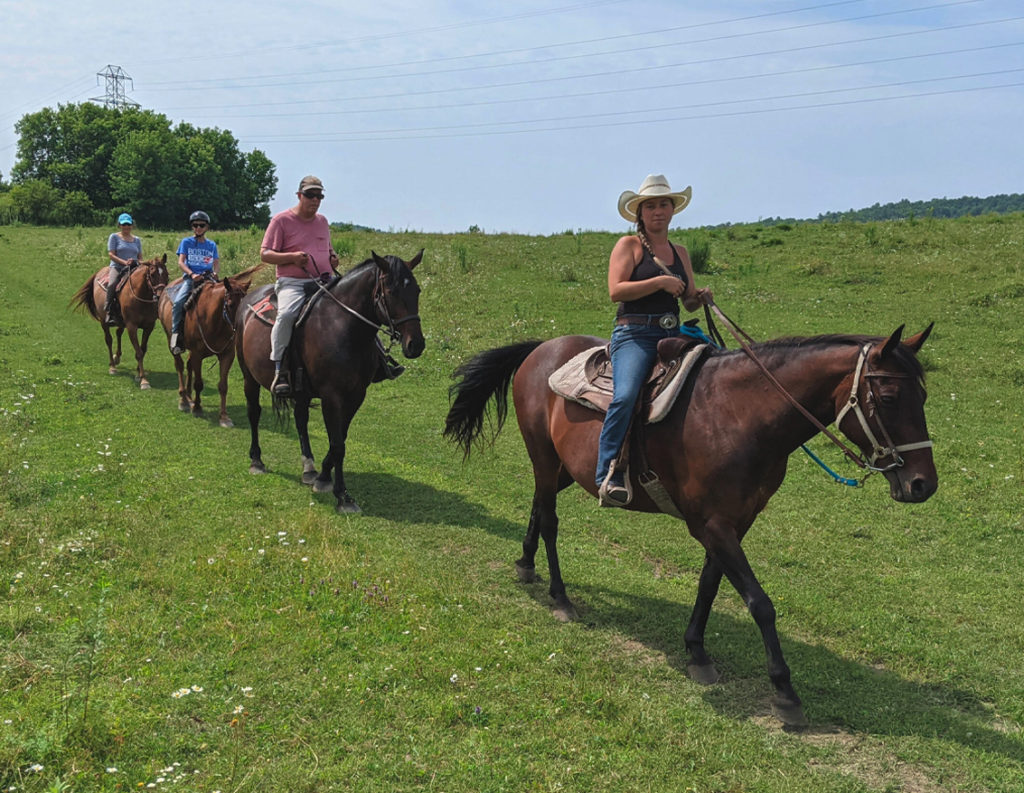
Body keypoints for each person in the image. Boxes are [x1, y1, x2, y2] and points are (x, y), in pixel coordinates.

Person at [595, 174, 714, 508]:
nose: (658, 211)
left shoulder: (680, 252)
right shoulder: (628, 246)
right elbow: (615, 290)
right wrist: (660, 282)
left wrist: (699, 297)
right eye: (651, 206)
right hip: (635, 333)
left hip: (673, 333)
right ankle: (608, 471)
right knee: (627, 394)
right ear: (640, 213)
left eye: (664, 204)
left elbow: (687, 300)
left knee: (719, 375)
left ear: (673, 210)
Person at [260, 175, 341, 396]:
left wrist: (333, 258)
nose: (315, 200)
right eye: (310, 195)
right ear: (299, 195)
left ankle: (379, 359)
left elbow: (328, 248)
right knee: (286, 315)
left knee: (355, 306)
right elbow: (265, 254)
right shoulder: (281, 220)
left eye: (319, 196)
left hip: (325, 280)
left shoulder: (323, 221)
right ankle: (280, 368)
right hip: (293, 283)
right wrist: (292, 258)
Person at [170, 211, 220, 355]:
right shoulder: (186, 242)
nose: (198, 228)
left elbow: (216, 263)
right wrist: (191, 274)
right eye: (195, 225)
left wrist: (216, 273)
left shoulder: (211, 245)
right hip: (191, 279)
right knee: (178, 303)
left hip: (208, 278)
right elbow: (181, 262)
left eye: (201, 225)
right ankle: (176, 337)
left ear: (206, 227)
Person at [105, 213, 143, 325]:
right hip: (118, 266)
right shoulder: (114, 237)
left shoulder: (137, 240)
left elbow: (140, 257)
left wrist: (136, 262)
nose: (126, 227)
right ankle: (109, 310)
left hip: (134, 268)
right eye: (124, 224)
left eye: (128, 224)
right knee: (112, 283)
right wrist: (124, 262)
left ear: (132, 225)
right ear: (119, 225)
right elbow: (111, 255)